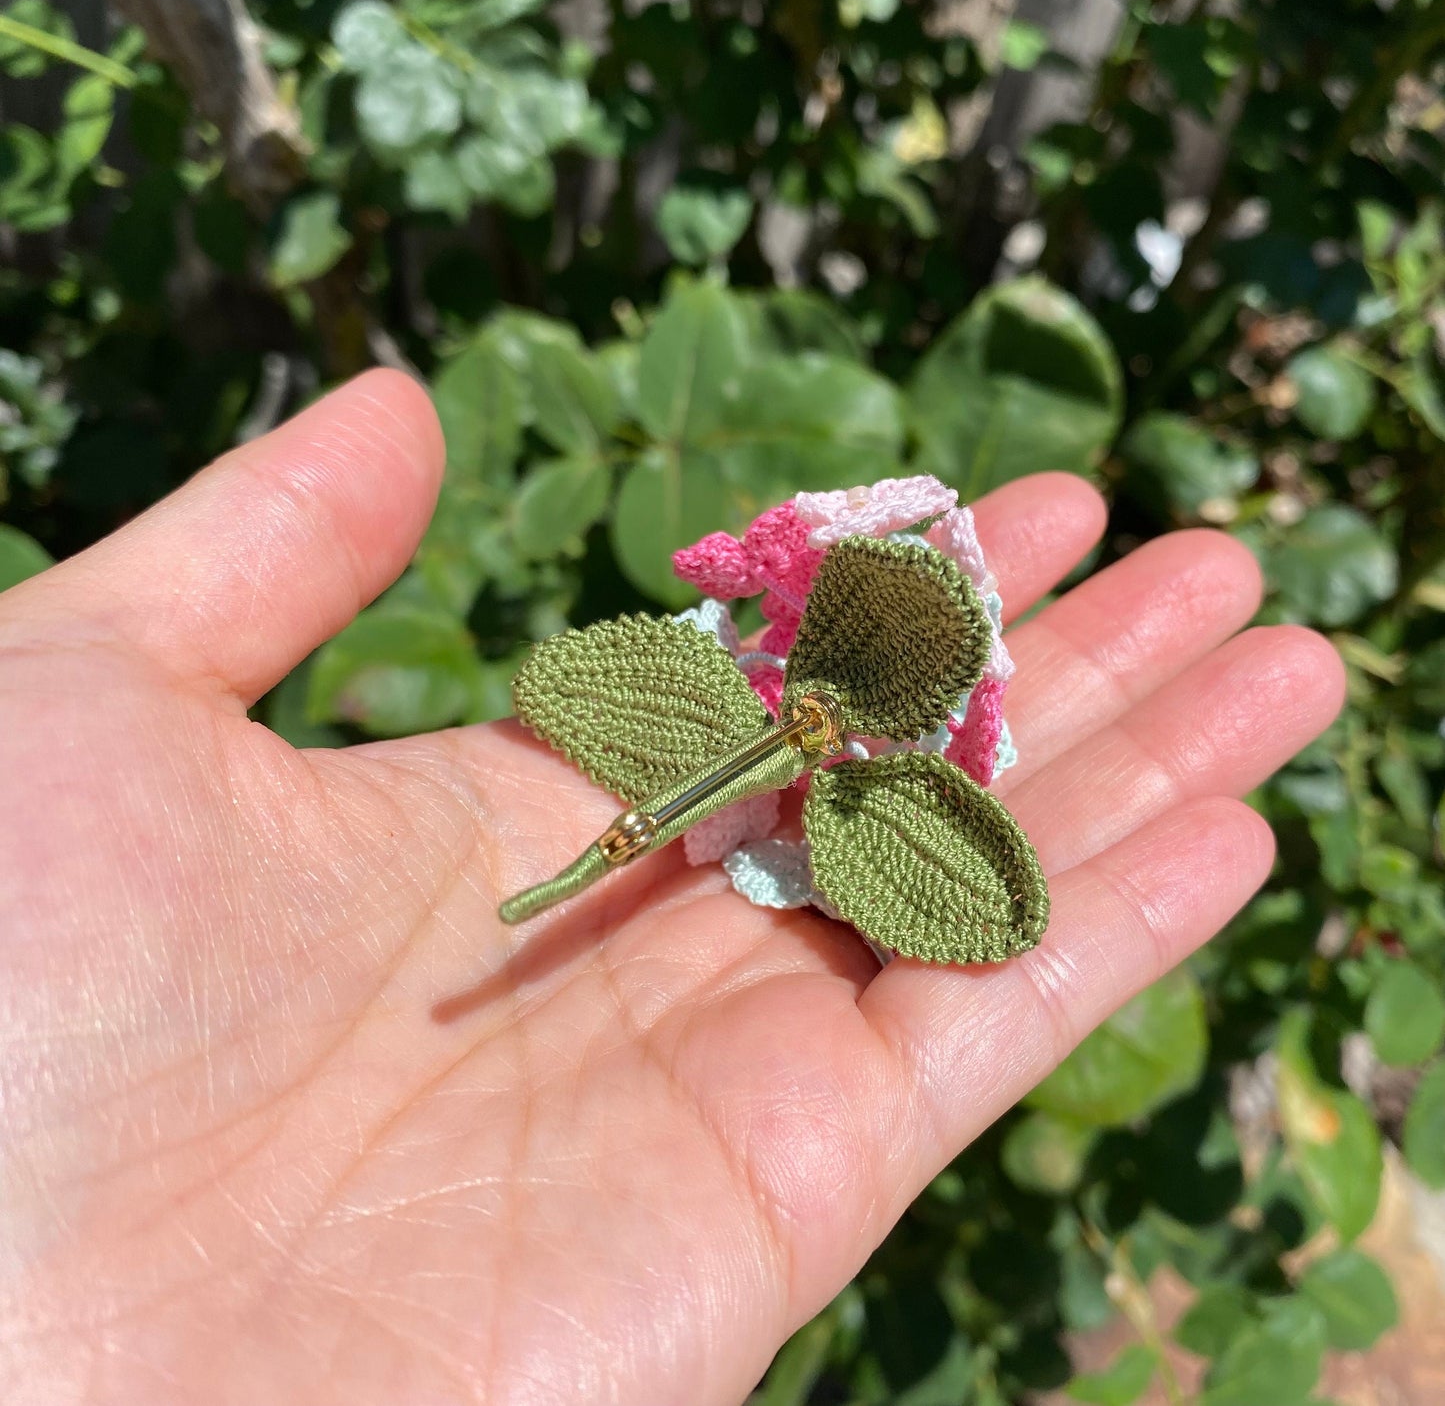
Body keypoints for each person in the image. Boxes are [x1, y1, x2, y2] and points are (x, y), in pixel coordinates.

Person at [0, 371, 1344, 1405]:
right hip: (730, 743)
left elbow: (975, 845)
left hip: (819, 776)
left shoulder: (874, 779)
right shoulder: (774, 680)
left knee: (963, 885)